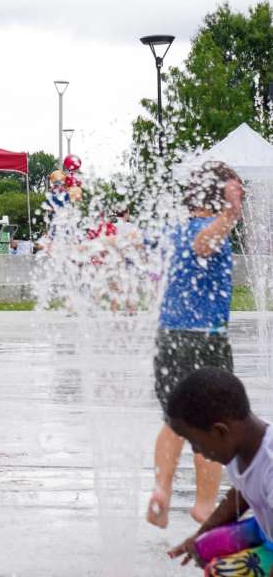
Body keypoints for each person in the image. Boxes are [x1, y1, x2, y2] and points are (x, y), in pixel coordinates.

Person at [148, 161, 244, 530]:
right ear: (220, 195)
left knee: (175, 421)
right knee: (214, 427)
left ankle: (161, 490)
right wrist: (230, 216)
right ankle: (205, 506)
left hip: (169, 338)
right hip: (206, 341)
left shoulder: (173, 230)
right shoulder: (212, 227)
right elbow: (204, 245)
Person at [165, 369, 273, 572]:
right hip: (266, 527)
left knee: (219, 572)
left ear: (220, 431)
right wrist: (201, 533)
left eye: (194, 441)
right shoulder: (240, 448)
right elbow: (243, 490)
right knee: (204, 547)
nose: (195, 450)